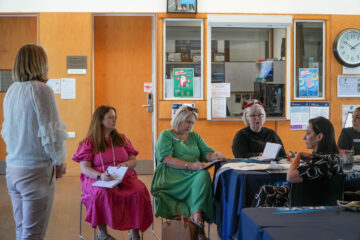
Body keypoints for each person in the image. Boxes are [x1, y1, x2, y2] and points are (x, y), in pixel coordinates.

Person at [1, 44, 67, 240]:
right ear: (41, 63)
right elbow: (51, 133)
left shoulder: (11, 91)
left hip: (13, 169)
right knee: (33, 234)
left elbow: (7, 132)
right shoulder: (42, 91)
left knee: (21, 230)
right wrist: (59, 161)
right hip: (36, 171)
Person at [72, 105, 153, 240]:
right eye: (110, 117)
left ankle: (135, 234)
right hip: (98, 178)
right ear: (100, 120)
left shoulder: (122, 138)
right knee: (102, 193)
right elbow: (85, 168)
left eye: (115, 117)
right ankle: (103, 233)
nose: (114, 120)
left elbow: (134, 161)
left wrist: (126, 164)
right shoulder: (89, 143)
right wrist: (101, 176)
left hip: (123, 177)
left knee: (139, 191)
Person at [151, 105, 226, 240]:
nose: (190, 126)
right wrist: (191, 165)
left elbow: (206, 153)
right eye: (188, 122)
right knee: (201, 175)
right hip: (171, 175)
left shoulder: (194, 137)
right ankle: (199, 229)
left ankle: (196, 216)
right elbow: (166, 159)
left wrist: (215, 155)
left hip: (192, 175)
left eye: (192, 123)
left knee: (203, 175)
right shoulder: (166, 135)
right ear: (179, 119)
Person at [254, 117, 343, 207]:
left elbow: (290, 176)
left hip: (308, 205)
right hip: (320, 201)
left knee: (265, 191)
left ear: (319, 137)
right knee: (266, 190)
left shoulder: (321, 162)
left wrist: (298, 156)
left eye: (308, 133)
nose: (304, 137)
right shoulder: (334, 158)